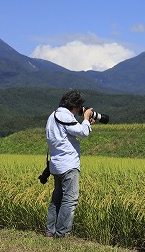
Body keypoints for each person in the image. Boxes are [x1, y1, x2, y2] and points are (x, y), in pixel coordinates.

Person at [44, 90, 94, 238]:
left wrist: (86, 123)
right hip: (68, 165)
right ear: (75, 106)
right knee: (70, 199)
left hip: (56, 165)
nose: (79, 111)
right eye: (79, 107)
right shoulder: (65, 116)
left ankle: (49, 231)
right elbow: (82, 133)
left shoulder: (53, 116)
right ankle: (61, 234)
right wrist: (85, 119)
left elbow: (70, 132)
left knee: (57, 198)